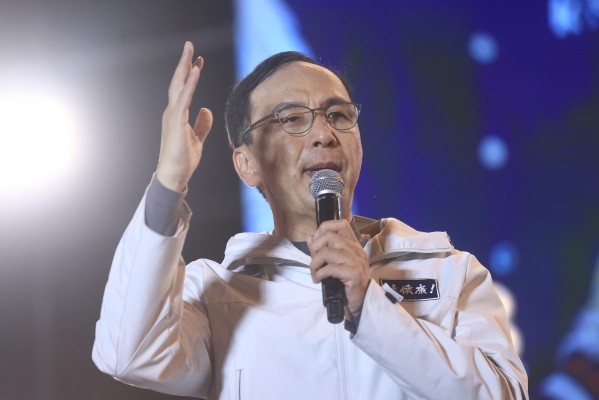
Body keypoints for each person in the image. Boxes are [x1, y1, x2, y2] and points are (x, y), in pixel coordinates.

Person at [92, 41, 528, 399]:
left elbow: (504, 395)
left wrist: (370, 307)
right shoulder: (217, 295)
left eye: (338, 115)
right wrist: (168, 185)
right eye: (292, 119)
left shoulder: (448, 271)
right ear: (247, 164)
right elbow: (128, 353)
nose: (324, 134)